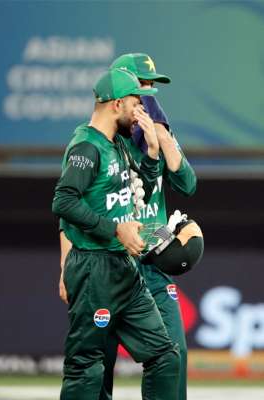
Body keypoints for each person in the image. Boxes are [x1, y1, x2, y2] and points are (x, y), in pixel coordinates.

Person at [52, 68, 180, 400]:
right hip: (93, 269)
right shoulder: (86, 147)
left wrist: (153, 153)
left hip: (125, 269)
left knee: (164, 356)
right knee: (86, 367)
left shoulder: (119, 143)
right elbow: (63, 201)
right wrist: (115, 229)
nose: (140, 111)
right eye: (136, 103)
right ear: (117, 104)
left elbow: (141, 193)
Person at [95, 53, 196, 400]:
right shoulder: (104, 139)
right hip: (110, 262)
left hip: (152, 265)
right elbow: (71, 204)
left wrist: (163, 136)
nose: (149, 95)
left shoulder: (157, 134)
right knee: (99, 361)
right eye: (143, 86)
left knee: (174, 352)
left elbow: (188, 185)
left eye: (152, 87)